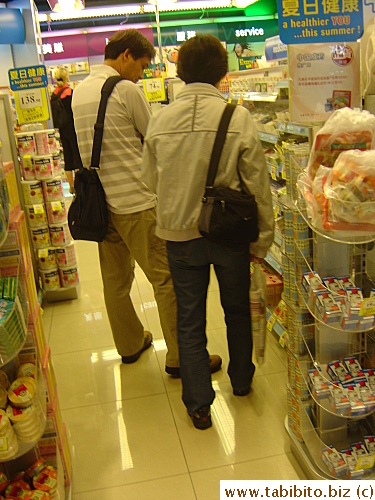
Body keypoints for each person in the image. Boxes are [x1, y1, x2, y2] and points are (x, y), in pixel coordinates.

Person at [142, 35, 274, 430]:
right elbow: (258, 186)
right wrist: (262, 241)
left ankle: (199, 404)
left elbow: (150, 182)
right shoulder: (238, 118)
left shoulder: (160, 119)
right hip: (230, 235)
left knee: (189, 316)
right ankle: (242, 380)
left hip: (180, 236)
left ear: (178, 71)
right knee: (236, 309)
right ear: (223, 71)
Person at [71, 30, 222, 376]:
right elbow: (155, 139)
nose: (142, 73)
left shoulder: (79, 91)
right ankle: (182, 357)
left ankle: (129, 344)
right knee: (165, 278)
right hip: (137, 203)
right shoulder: (125, 90)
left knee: (115, 283)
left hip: (100, 206)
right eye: (141, 65)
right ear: (125, 56)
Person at [50, 67, 83, 193]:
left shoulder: (54, 94)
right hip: (72, 127)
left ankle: (71, 186)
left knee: (67, 156)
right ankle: (80, 184)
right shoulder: (69, 92)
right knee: (77, 154)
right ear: (66, 78)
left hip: (62, 129)